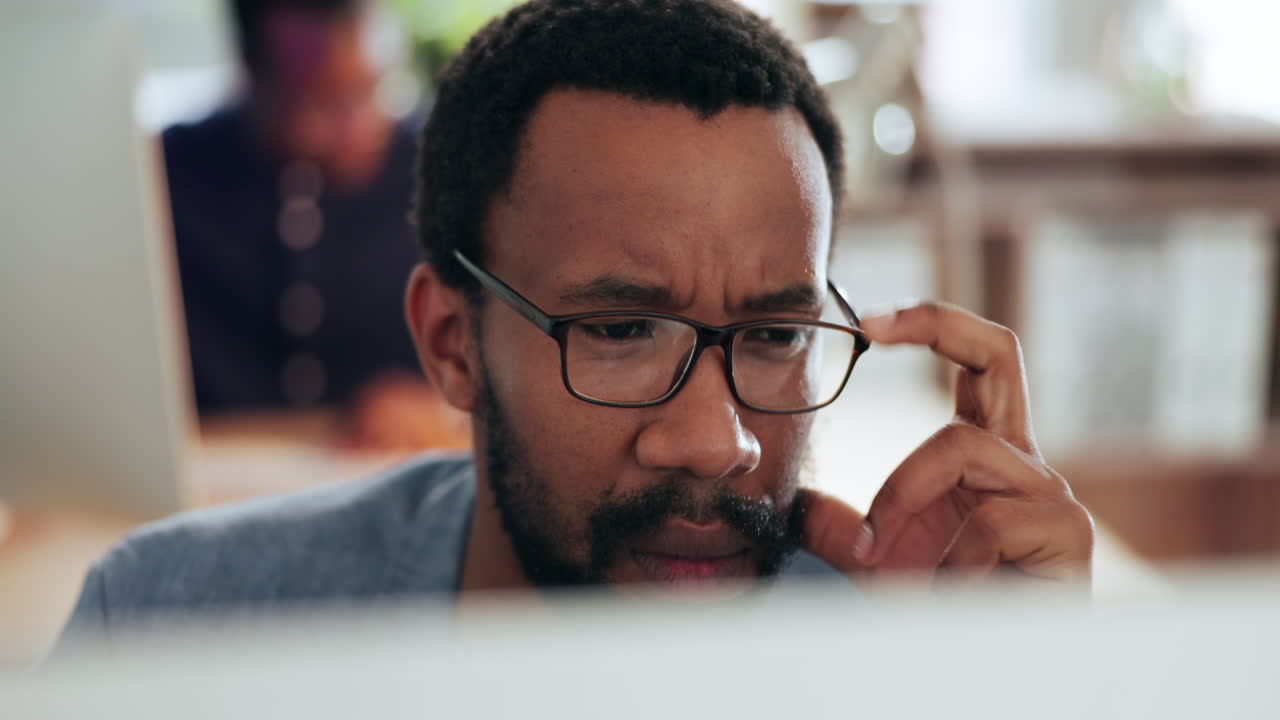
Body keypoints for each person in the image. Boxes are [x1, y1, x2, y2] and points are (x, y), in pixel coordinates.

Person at [58, 0, 1093, 642]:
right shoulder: (174, 624)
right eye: (618, 330)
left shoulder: (907, 636)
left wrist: (1003, 685)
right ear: (451, 346)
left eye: (773, 337)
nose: (715, 443)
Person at [167, 0, 464, 450]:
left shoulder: (446, 170)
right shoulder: (168, 173)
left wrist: (446, 403)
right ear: (251, 76)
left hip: (384, 474)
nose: (361, 127)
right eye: (325, 102)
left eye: (371, 89)